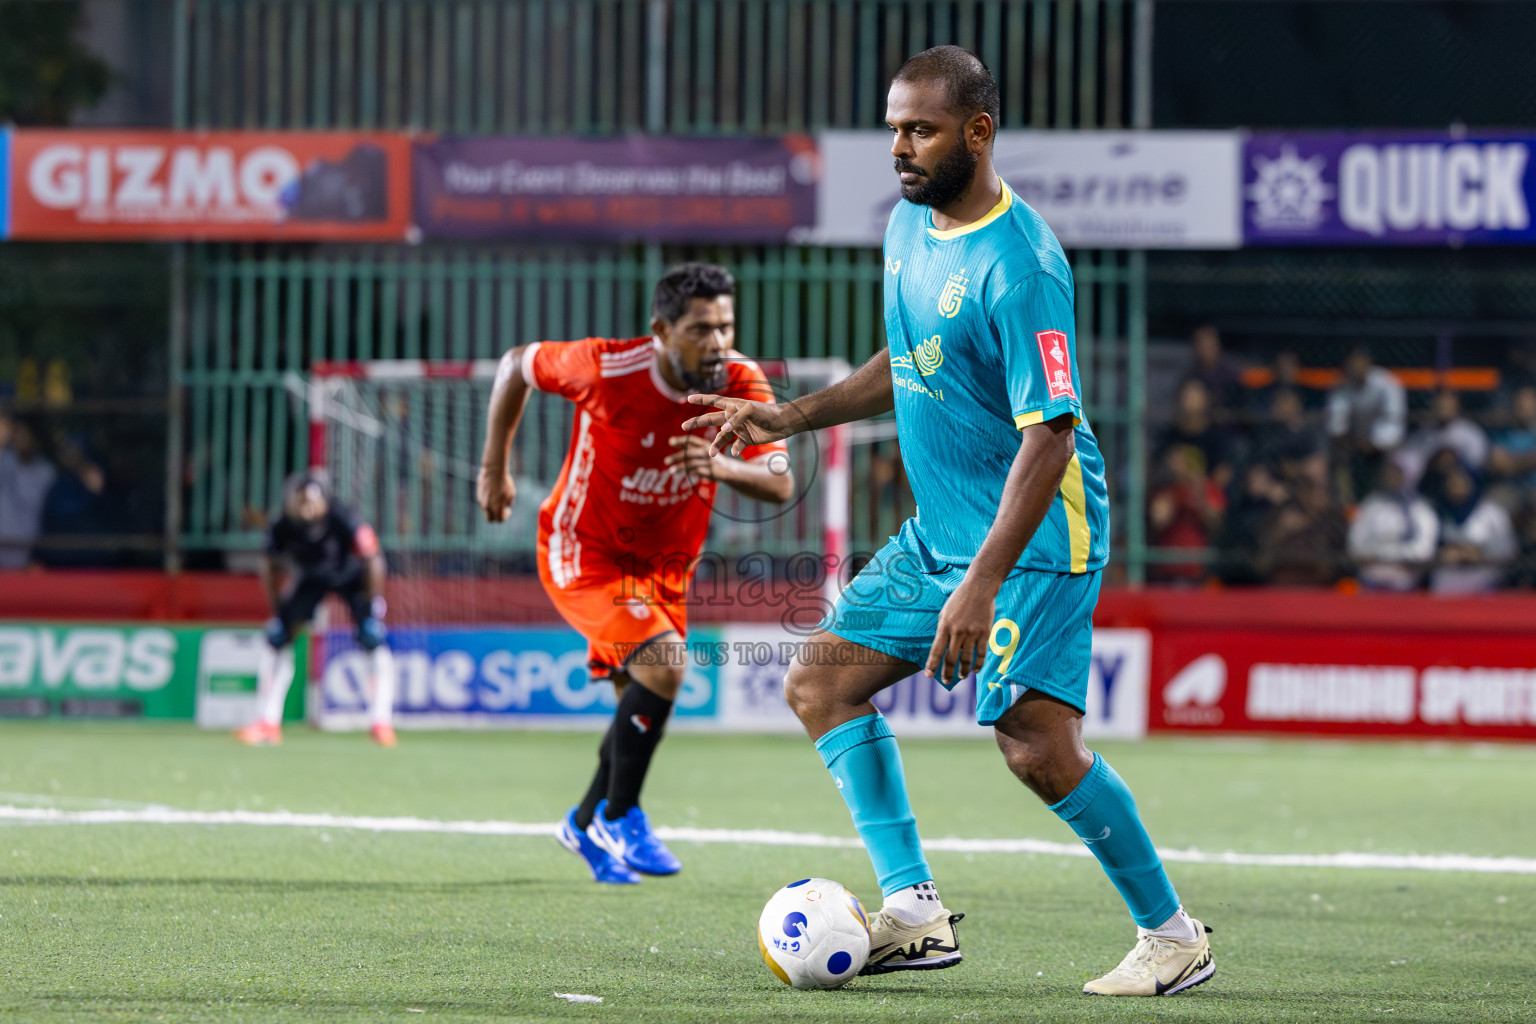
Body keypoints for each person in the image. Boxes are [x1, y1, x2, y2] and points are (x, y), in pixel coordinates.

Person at [683, 47, 1211, 997]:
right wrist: (791, 415)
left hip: (1041, 538)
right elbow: (910, 357)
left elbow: (1048, 440)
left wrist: (979, 585)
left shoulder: (1023, 266)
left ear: (978, 131)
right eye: (892, 127)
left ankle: (1173, 937)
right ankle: (915, 913)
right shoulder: (907, 227)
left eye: (919, 129)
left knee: (1034, 745)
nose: (899, 147)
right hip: (944, 532)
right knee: (820, 684)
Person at [476, 262, 795, 886]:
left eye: (726, 326)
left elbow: (780, 482)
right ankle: (620, 816)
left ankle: (583, 820)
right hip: (585, 553)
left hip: (665, 570)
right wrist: (494, 467)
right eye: (701, 329)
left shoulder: (741, 381)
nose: (719, 342)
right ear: (661, 330)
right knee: (666, 664)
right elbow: (516, 362)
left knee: (638, 702)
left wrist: (722, 468)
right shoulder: (605, 368)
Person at [234, 473, 398, 747]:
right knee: (277, 638)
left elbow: (372, 560)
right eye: (299, 502)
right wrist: (278, 609)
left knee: (373, 639)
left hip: (350, 576)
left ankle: (381, 722)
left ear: (324, 501)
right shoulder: (281, 524)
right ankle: (267, 722)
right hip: (308, 578)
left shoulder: (345, 516)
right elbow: (269, 567)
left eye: (311, 501)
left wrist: (371, 603)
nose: (305, 508)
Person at [1422, 455, 1516, 594]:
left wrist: (1478, 554)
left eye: (1461, 482)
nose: (1456, 487)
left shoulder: (1492, 513)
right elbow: (1423, 547)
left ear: (1472, 482)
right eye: (1451, 483)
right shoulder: (1435, 512)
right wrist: (1443, 553)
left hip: (1484, 581)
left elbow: (1507, 550)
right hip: (1445, 581)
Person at [1326, 347, 1406, 503]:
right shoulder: (1340, 389)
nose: (1356, 368)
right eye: (1351, 364)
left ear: (1368, 363)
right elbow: (1336, 428)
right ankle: (1346, 506)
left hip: (1384, 448)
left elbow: (1395, 424)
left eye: (1360, 362)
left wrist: (1373, 443)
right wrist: (1353, 442)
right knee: (1336, 458)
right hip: (1353, 446)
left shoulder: (1386, 383)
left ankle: (1387, 504)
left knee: (1394, 462)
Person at [1347, 460, 1438, 591]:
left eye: (1396, 474)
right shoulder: (1371, 505)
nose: (1391, 478)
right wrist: (1375, 557)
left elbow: (1424, 548)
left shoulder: (1419, 509)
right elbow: (1356, 543)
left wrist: (1390, 556)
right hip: (1371, 580)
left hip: (1407, 582)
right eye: (1388, 474)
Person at [0, 416, 57, 570]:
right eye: (16, 433)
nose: (20, 438)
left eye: (25, 433)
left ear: (35, 437)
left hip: (29, 558)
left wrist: (39, 556)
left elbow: (50, 515)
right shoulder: (5, 462)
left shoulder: (47, 472)